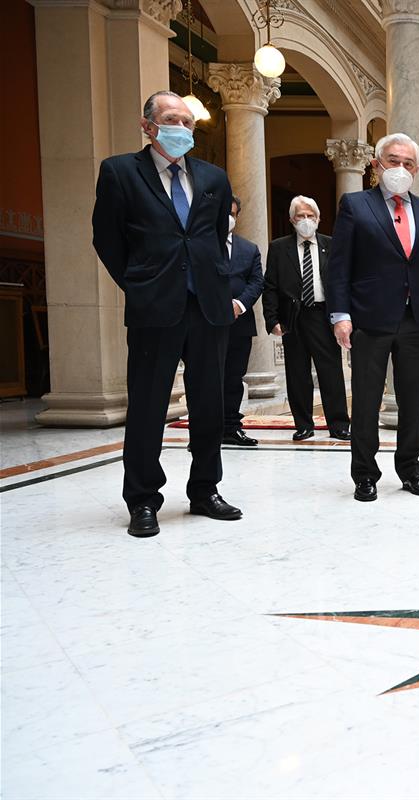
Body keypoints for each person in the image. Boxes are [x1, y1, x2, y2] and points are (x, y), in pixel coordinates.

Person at [92, 90, 241, 537]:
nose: (182, 129)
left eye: (188, 123)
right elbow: (107, 238)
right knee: (148, 406)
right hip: (154, 308)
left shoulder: (213, 178)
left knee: (210, 407)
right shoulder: (120, 171)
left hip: (207, 309)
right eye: (172, 119)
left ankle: (205, 490)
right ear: (148, 125)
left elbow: (215, 240)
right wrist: (139, 284)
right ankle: (142, 499)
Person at [326, 133, 419, 502]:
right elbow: (339, 268)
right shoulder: (354, 205)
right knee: (366, 401)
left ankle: (411, 469)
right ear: (376, 164)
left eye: (408, 163)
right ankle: (365, 474)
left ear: (417, 169)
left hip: (418, 321)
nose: (400, 169)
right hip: (369, 319)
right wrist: (340, 314)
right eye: (393, 160)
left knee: (415, 402)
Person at [262, 196, 350, 442]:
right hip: (294, 317)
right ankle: (303, 425)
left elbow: (342, 282)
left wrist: (343, 316)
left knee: (331, 371)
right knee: (297, 373)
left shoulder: (331, 245)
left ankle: (339, 425)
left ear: (319, 219)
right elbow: (270, 286)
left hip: (323, 316)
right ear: (292, 220)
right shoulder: (279, 247)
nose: (306, 221)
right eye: (300, 216)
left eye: (310, 216)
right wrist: (272, 319)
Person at [222, 195, 265, 447]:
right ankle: (203, 431)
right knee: (204, 378)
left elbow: (256, 281)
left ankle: (231, 427)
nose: (228, 217)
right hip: (207, 324)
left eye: (233, 213)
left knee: (234, 378)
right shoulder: (200, 244)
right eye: (224, 212)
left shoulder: (249, 249)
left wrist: (238, 304)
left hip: (239, 325)